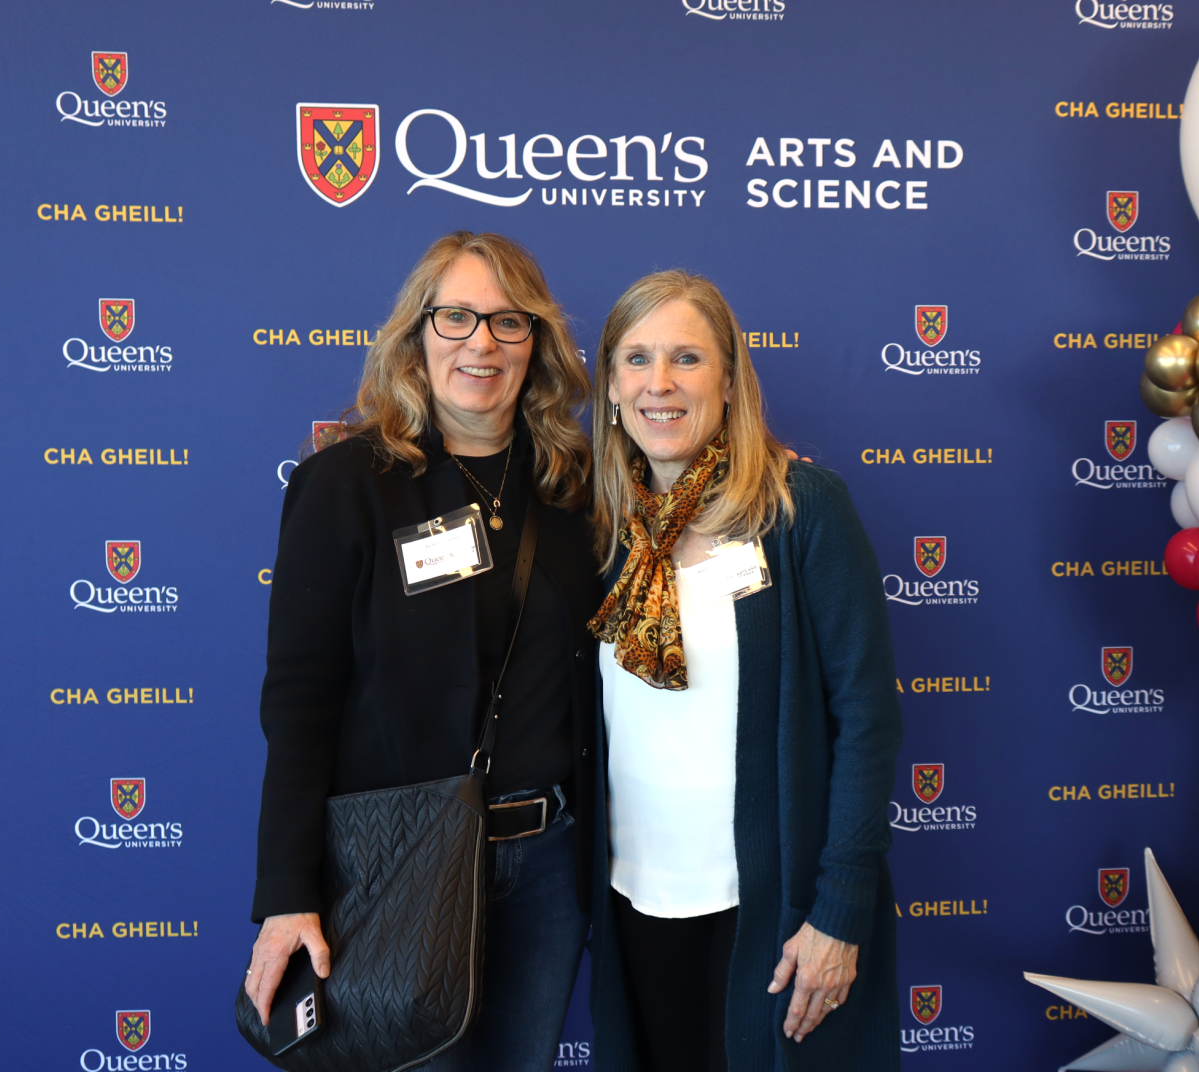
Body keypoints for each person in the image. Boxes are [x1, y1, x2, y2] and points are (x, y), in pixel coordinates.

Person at [244, 231, 602, 1072]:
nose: (481, 341)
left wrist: (766, 469)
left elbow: (687, 485)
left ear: (537, 344)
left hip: (549, 867)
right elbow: (299, 700)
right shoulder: (348, 485)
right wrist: (288, 892)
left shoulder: (577, 486)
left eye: (508, 322)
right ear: (418, 335)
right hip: (403, 863)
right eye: (457, 317)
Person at [586, 270, 903, 1071]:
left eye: (687, 359)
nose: (660, 382)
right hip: (633, 904)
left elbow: (866, 718)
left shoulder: (801, 509)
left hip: (774, 909)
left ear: (728, 382)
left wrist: (840, 913)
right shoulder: (598, 531)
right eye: (637, 359)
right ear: (613, 388)